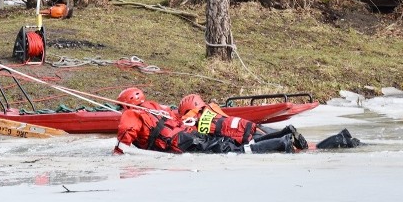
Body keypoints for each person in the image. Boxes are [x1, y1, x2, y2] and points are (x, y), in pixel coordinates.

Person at [113, 88, 295, 155]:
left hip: (182, 143)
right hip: (190, 134)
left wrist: (117, 153)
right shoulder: (155, 107)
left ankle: (281, 142)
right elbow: (176, 119)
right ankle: (283, 134)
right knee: (228, 144)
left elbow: (127, 132)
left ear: (127, 104)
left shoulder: (131, 114)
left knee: (234, 151)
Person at [178, 93, 309, 149]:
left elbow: (187, 134)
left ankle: (286, 139)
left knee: (271, 142)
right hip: (247, 124)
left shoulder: (190, 121)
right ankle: (286, 132)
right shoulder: (212, 107)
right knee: (267, 132)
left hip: (242, 136)